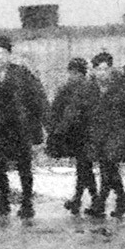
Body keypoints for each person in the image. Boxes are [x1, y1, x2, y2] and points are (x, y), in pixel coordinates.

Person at [0, 37, 49, 218]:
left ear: (10, 55)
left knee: (23, 167)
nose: (0, 57)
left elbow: (38, 98)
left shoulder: (21, 73)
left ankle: (27, 203)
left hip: (19, 128)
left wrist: (43, 125)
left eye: (3, 53)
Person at [80, 51, 125, 217]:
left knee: (108, 167)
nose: (102, 73)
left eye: (105, 69)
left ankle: (100, 204)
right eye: (99, 69)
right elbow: (82, 112)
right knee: (109, 169)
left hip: (118, 135)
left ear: (111, 70)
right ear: (93, 71)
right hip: (98, 136)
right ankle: (122, 201)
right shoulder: (89, 89)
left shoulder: (122, 89)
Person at [46, 57, 95, 215]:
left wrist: (59, 129)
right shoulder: (73, 87)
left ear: (81, 73)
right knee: (84, 168)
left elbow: (70, 112)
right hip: (78, 134)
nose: (73, 75)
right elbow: (57, 108)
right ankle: (83, 199)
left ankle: (86, 200)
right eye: (72, 72)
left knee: (84, 168)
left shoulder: (83, 88)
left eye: (75, 73)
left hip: (83, 134)